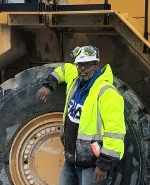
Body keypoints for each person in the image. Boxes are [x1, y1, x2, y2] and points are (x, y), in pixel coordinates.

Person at [36, 46, 126, 185]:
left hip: (92, 165)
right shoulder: (75, 80)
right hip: (72, 160)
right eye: (79, 65)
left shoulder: (107, 93)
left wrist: (103, 166)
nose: (82, 69)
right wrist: (49, 84)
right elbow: (64, 69)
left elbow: (115, 132)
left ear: (95, 65)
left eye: (86, 65)